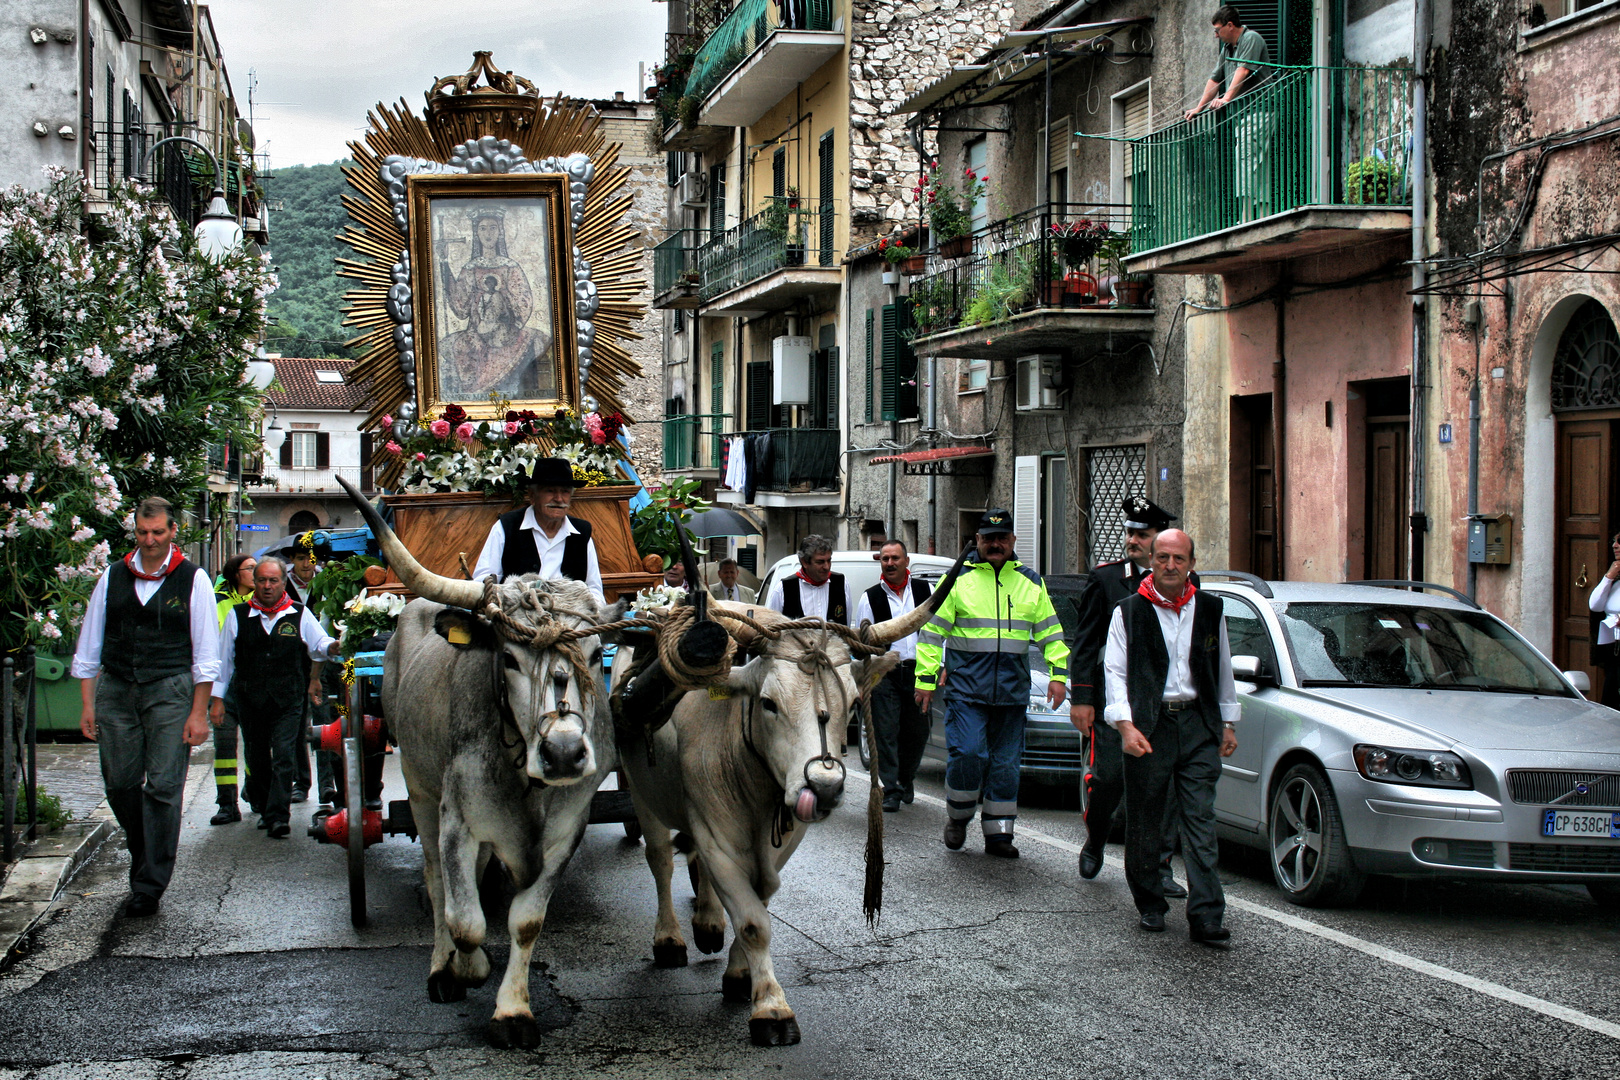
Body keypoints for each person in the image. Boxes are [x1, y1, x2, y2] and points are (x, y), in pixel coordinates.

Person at [70, 497, 218, 917]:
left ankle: (148, 885)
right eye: (142, 532)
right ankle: (145, 850)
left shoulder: (193, 579)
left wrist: (198, 712)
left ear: (173, 532)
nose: (150, 540)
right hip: (117, 689)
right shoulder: (113, 576)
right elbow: (89, 644)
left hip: (171, 689)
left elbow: (206, 653)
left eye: (157, 532)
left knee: (164, 787)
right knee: (119, 783)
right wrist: (87, 704)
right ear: (134, 532)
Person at [1103, 529, 1239, 944]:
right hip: (1149, 726)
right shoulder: (1128, 611)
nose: (1169, 566)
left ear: (1191, 564)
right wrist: (1125, 725)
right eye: (1162, 557)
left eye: (1178, 559)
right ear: (1151, 561)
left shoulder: (1211, 609)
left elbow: (1223, 668)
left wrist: (1228, 722)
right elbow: (1115, 673)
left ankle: (1206, 916)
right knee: (1145, 820)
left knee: (1199, 818)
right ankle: (1150, 903)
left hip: (1198, 725)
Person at [915, 509, 1069, 857]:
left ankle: (999, 834)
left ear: (1013, 541)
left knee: (1004, 764)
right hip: (967, 690)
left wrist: (1058, 675)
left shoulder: (1030, 582)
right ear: (978, 541)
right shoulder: (956, 580)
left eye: (1002, 538)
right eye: (988, 538)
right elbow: (931, 634)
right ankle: (959, 816)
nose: (995, 544)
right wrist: (925, 679)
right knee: (968, 754)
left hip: (1012, 692)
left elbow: (1050, 633)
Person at [1071, 496, 1189, 897]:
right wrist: (1082, 697)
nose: (1134, 540)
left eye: (1143, 534)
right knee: (1108, 780)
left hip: (1163, 705)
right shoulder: (1106, 580)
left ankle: (1160, 866)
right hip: (1114, 701)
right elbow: (1085, 643)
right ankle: (1097, 838)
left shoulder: (1185, 582)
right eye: (1131, 533)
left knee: (1165, 788)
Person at [211, 557, 340, 839]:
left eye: (273, 580)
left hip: (288, 698)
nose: (267, 586)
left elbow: (319, 645)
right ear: (254, 583)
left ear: (283, 582)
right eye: (262, 580)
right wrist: (217, 700)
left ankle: (279, 817)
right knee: (256, 759)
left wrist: (334, 647)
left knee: (283, 755)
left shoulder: (298, 613)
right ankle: (266, 805)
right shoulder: (237, 615)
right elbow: (224, 662)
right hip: (249, 697)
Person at [438, 205, 553, 399]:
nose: (488, 233)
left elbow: (523, 299)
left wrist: (505, 308)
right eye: (482, 228)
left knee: (533, 342)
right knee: (457, 346)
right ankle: (473, 401)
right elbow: (460, 306)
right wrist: (444, 263)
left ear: (500, 231)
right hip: (476, 331)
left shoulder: (510, 267)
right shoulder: (470, 268)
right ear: (476, 233)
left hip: (505, 331)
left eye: (492, 228)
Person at [855, 541, 932, 812]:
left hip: (919, 672)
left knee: (917, 732)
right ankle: (890, 789)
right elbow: (861, 644)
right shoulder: (870, 597)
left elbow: (937, 634)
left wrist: (939, 668)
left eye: (895, 558)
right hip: (884, 674)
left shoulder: (926, 591)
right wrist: (863, 680)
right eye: (885, 559)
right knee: (885, 732)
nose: (890, 563)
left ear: (906, 561)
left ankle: (906, 778)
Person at [471, 456, 605, 605]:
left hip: (570, 619)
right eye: (550, 491)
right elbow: (484, 582)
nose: (559, 499)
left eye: (565, 492)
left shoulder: (581, 533)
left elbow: (594, 589)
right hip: (517, 617)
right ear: (532, 496)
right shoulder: (506, 527)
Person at [1184, 5, 1275, 221]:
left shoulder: (1251, 38)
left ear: (1230, 25)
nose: (1215, 35)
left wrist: (1226, 98)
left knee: (1248, 159)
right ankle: (1257, 214)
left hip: (1260, 109)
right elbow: (1215, 80)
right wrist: (1199, 108)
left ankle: (1249, 217)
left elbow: (1243, 70)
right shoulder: (1227, 50)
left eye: (1217, 30)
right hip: (1244, 113)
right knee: (1252, 160)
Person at [209, 553, 256, 825]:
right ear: (235, 574)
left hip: (252, 683)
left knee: (255, 744)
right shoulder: (216, 602)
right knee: (224, 747)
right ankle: (227, 804)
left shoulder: (261, 601)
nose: (255, 572)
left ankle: (254, 790)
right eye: (250, 568)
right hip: (224, 684)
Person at [764, 535, 848, 624]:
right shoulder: (783, 589)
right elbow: (772, 628)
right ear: (804, 562)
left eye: (829, 561)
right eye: (820, 562)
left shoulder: (841, 583)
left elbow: (846, 627)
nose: (827, 567)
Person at [1588, 532, 1620, 708]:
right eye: (1613, 541)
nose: (1615, 545)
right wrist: (1609, 576)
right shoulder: (1616, 580)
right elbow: (1595, 605)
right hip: (1613, 649)